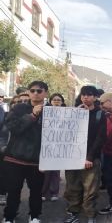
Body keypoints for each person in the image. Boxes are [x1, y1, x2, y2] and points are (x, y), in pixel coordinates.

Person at [2, 81, 48, 223]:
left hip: (37, 161)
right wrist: (32, 115)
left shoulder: (52, 111)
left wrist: (81, 112)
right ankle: (9, 216)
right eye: (32, 90)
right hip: (15, 158)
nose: (35, 93)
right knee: (14, 191)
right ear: (28, 92)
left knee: (36, 191)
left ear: (45, 93)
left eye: (39, 91)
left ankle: (34, 216)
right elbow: (13, 128)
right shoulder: (19, 108)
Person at [64, 86, 107, 223]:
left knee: (90, 189)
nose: (85, 97)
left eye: (89, 95)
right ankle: (74, 213)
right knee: (72, 187)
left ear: (95, 97)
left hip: (90, 159)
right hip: (72, 157)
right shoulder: (73, 112)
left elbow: (100, 138)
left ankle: (90, 214)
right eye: (83, 95)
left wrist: (90, 157)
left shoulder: (100, 114)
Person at [41, 93, 66, 202]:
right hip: (47, 145)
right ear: (50, 101)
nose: (56, 101)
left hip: (59, 146)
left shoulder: (68, 113)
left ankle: (54, 192)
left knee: (56, 170)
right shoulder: (44, 112)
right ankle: (43, 192)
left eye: (59, 100)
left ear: (62, 102)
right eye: (54, 99)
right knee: (46, 170)